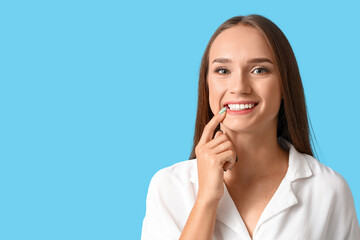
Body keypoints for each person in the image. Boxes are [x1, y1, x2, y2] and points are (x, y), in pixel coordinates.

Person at [141, 14, 360, 240]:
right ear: (206, 84)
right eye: (223, 71)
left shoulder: (328, 190)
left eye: (259, 70)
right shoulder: (168, 187)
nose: (239, 87)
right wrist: (206, 197)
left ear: (285, 83)